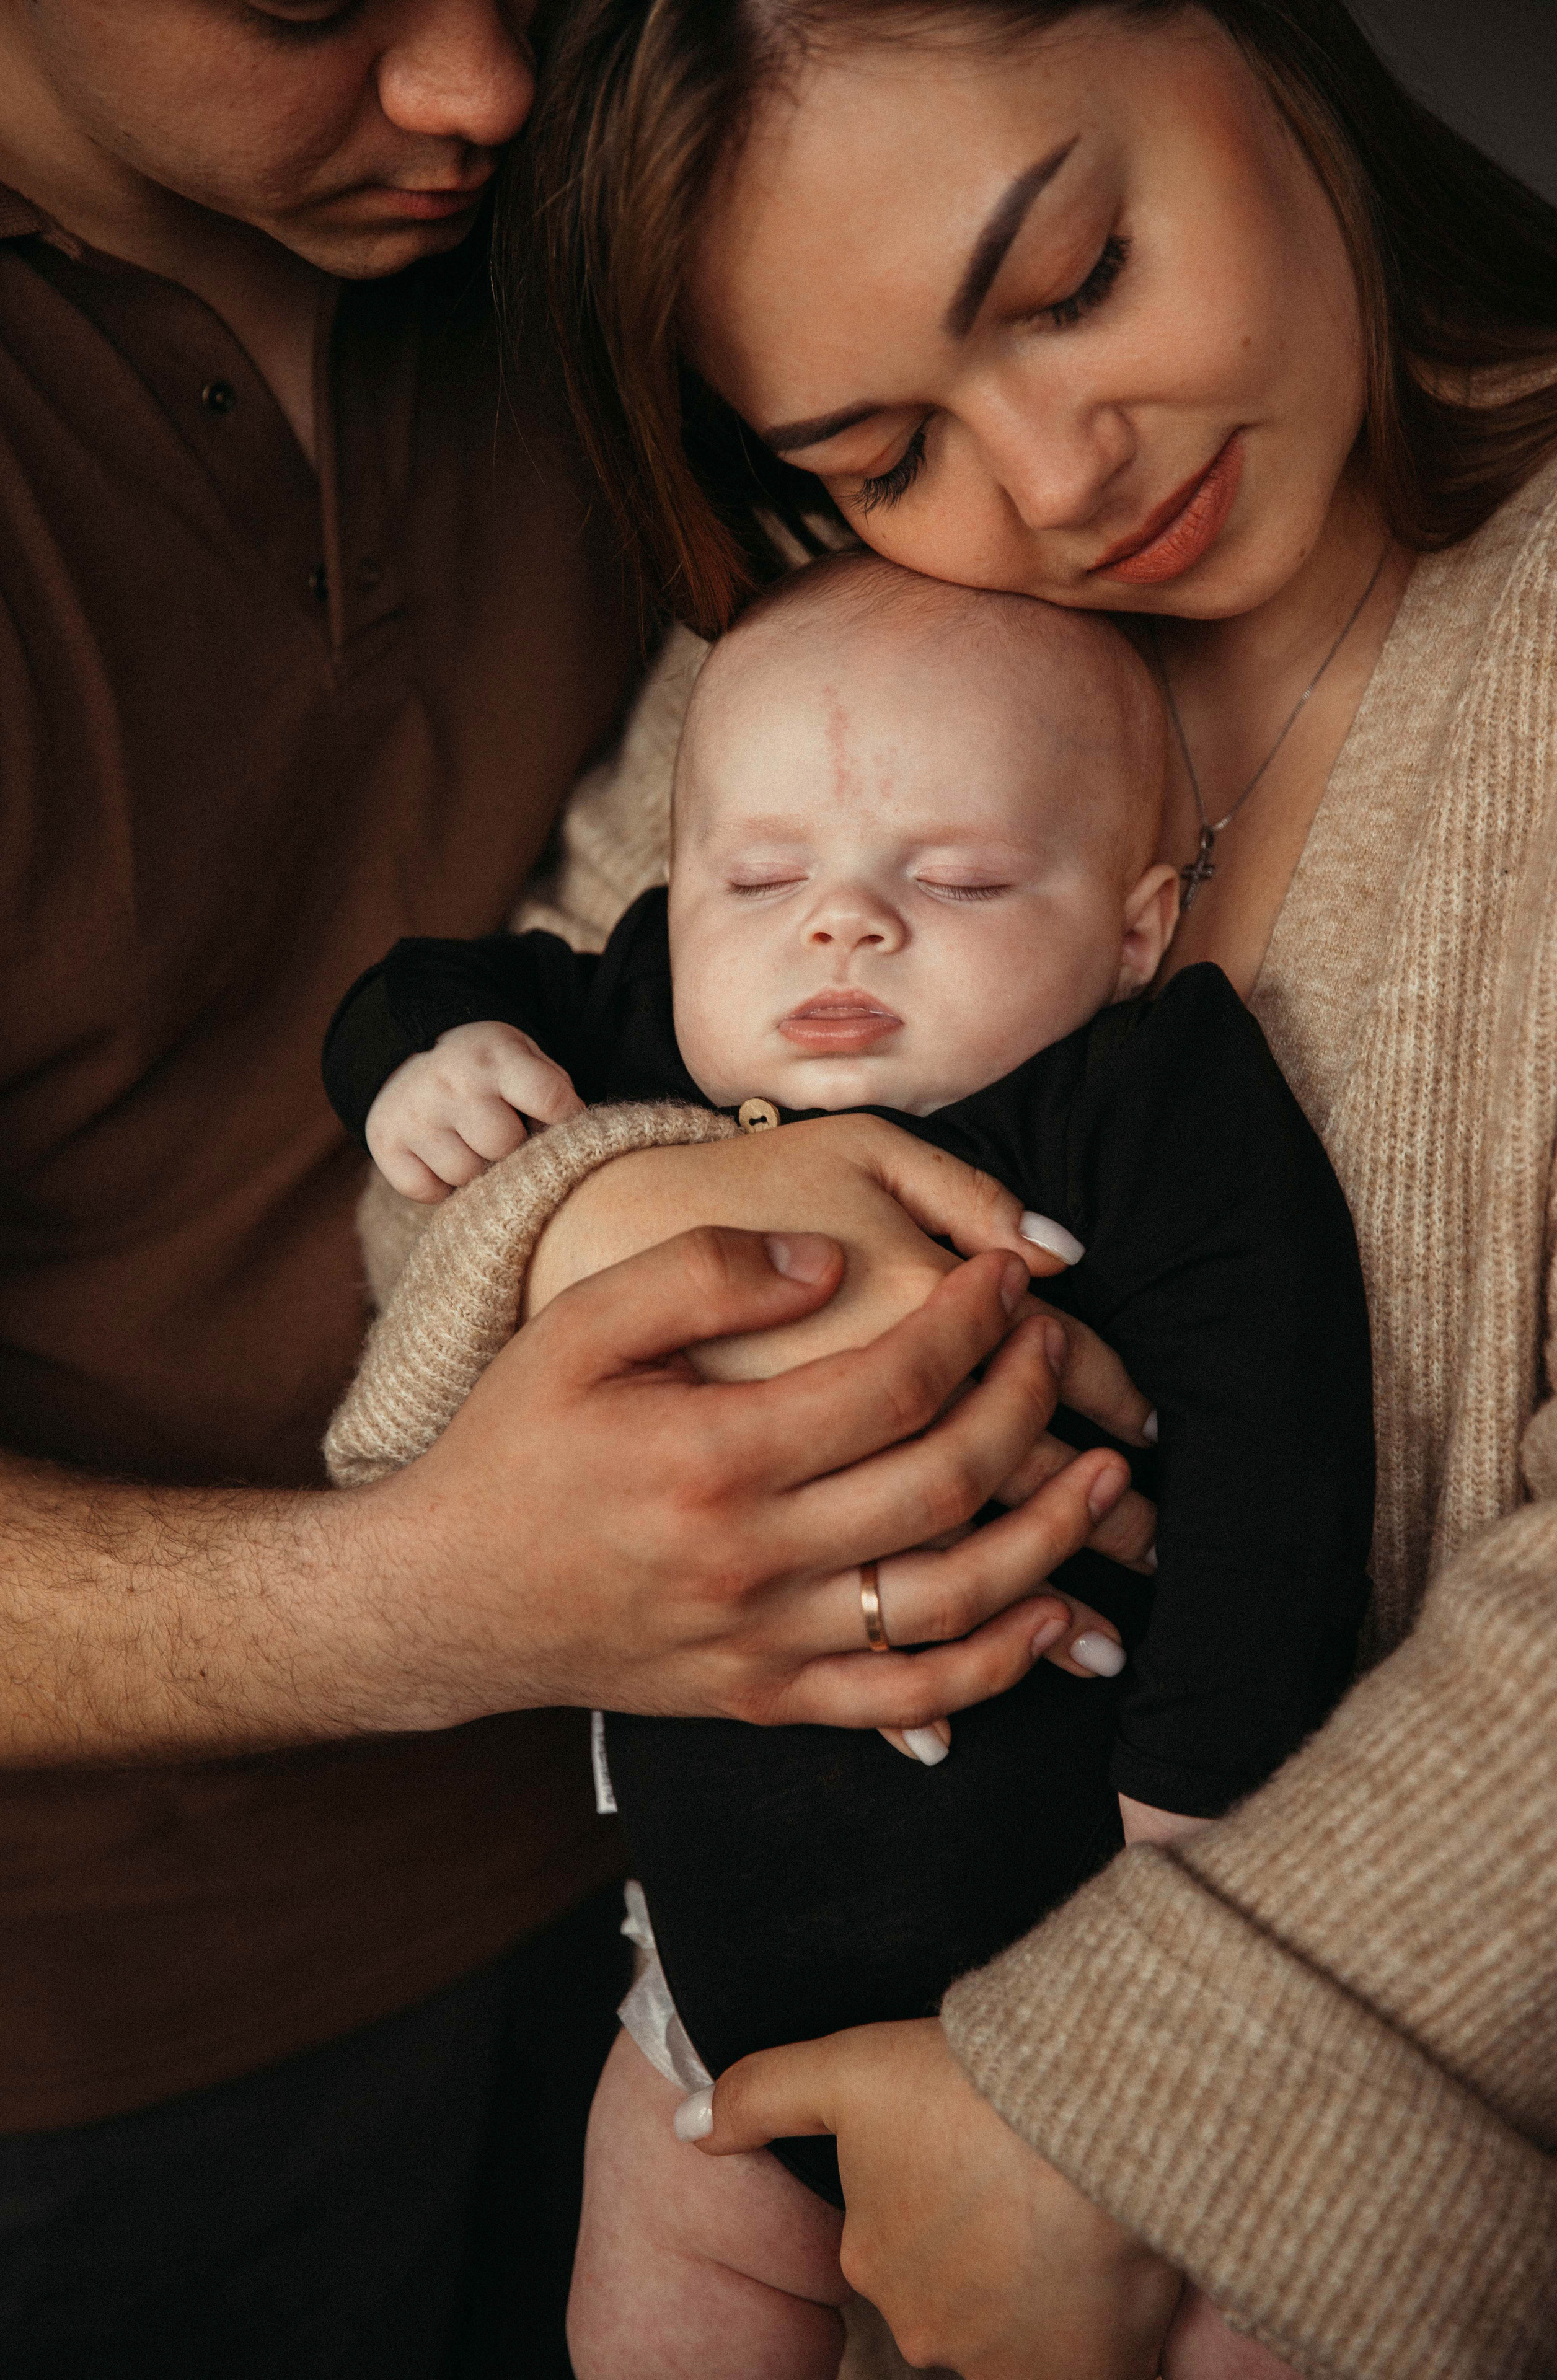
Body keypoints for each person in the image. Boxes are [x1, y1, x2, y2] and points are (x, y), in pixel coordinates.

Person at [333, 0, 1557, 2371]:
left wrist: (1119, 2095)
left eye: (1081, 270)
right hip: (771, 2068)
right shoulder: (852, 646)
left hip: (1371, 2199)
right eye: (881, 442)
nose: (1058, 472)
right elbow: (443, 1193)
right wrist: (594, 1210)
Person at [0, 5, 1146, 2374]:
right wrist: (424, 1600)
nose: (479, 87)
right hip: (140, 2045)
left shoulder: (644, 215)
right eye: (310, 4)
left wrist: (609, 1193)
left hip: (741, 1870)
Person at [324, 550, 1375, 2380]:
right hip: (709, 2014)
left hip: (1074, 1975)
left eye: (956, 881)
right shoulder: (646, 1021)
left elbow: (1283, 1446)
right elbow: (421, 984)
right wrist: (428, 1060)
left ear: (1131, 932)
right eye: (760, 877)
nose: (840, 930)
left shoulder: (1143, 1097)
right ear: (683, 897)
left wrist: (1199, 1815)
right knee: (652, 2298)